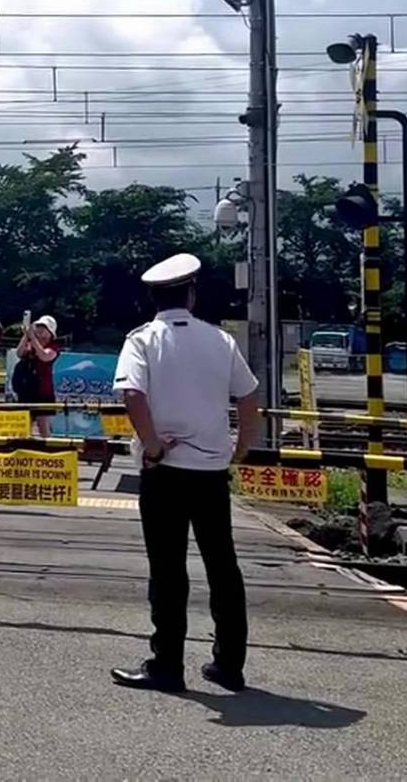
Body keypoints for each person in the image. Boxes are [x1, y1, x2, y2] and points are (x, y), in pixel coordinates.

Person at [110, 253, 258, 695]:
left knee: (168, 569)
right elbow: (248, 398)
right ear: (191, 293)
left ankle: (167, 664)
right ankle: (229, 664)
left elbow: (132, 393)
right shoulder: (219, 341)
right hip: (212, 471)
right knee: (223, 565)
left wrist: (152, 443)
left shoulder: (142, 341)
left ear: (154, 297)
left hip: (165, 471)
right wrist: (240, 448)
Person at [15, 315, 60, 436]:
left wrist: (33, 338)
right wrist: (26, 335)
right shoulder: (30, 344)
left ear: (50, 332)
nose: (40, 329)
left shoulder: (53, 347)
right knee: (24, 426)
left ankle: (48, 452)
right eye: (38, 326)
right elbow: (19, 353)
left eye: (44, 327)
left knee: (43, 426)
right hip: (26, 391)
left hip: (42, 392)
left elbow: (44, 356)